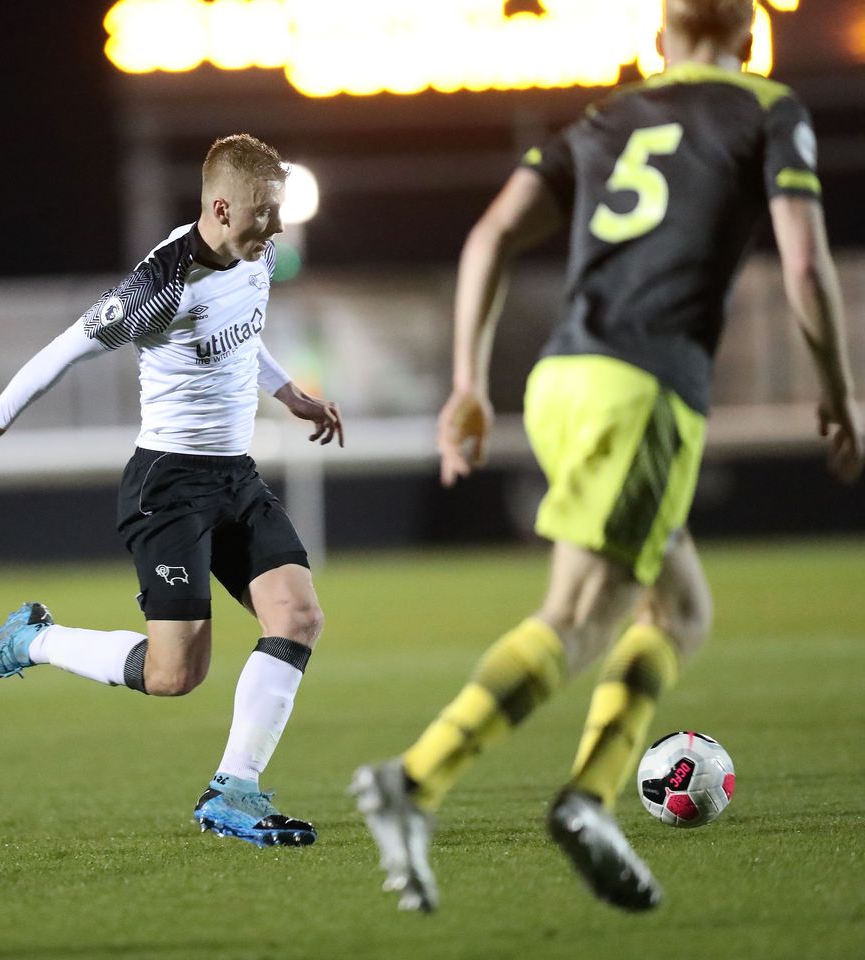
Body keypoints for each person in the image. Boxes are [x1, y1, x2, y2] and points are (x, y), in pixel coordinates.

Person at [351, 0, 863, 913]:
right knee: (582, 616)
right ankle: (416, 780)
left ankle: (590, 800)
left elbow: (490, 235)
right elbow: (801, 264)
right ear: (751, 38)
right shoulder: (767, 107)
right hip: (643, 386)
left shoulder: (601, 118)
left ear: (660, 38)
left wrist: (468, 381)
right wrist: (840, 389)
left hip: (562, 379)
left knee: (681, 609)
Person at [0, 133, 344, 847]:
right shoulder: (161, 286)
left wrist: (289, 394)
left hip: (236, 476)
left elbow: (245, 333)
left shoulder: (256, 254)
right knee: (174, 674)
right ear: (222, 208)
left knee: (298, 616)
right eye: (264, 213)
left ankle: (233, 791)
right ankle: (31, 641)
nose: (277, 227)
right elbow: (69, 344)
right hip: (170, 485)